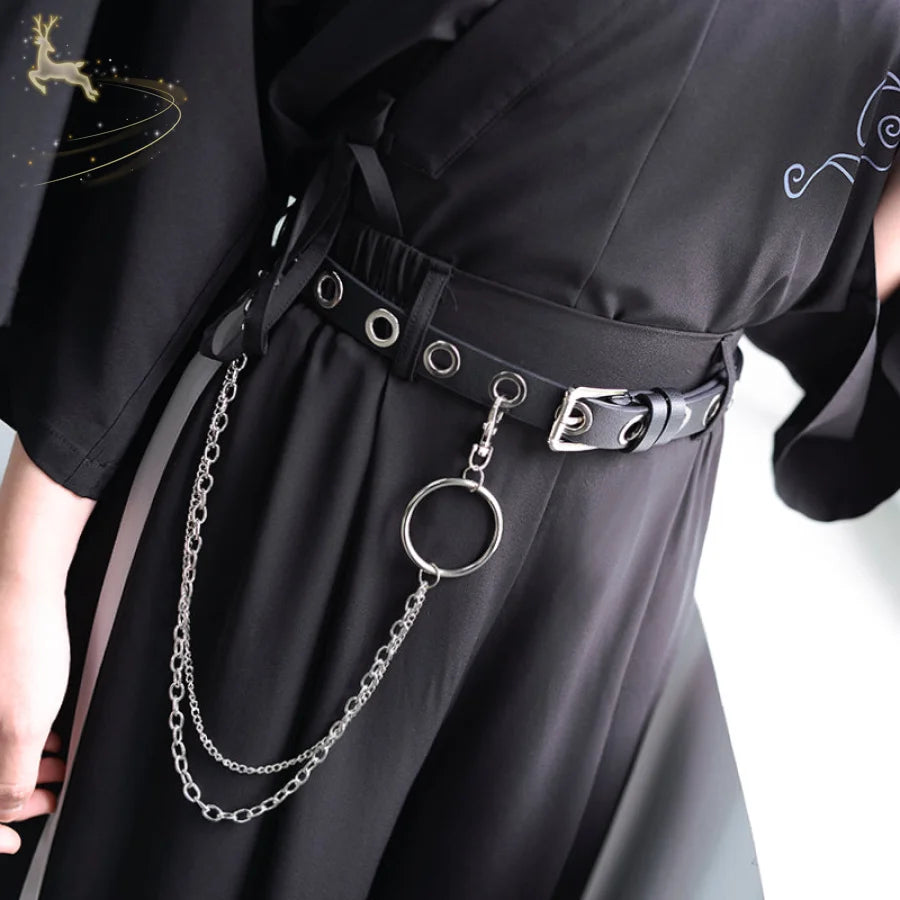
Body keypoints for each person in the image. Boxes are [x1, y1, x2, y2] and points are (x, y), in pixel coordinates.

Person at [1, 1, 900, 897]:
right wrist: (22, 576)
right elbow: (195, 103)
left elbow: (832, 248)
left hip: (629, 536)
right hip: (346, 447)